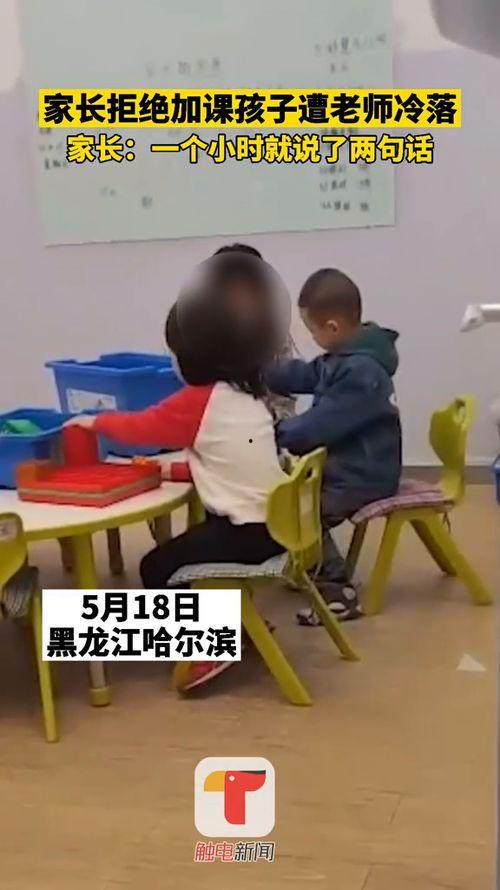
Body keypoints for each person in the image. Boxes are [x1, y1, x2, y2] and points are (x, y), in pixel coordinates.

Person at [68, 253, 286, 689]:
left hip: (247, 535)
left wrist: (92, 422)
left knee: (157, 567)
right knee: (184, 549)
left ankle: (206, 648)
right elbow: (233, 463)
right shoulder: (245, 395)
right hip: (276, 526)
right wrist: (178, 473)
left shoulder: (199, 400)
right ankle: (228, 628)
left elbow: (142, 427)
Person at [266, 268, 402, 622]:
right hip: (352, 466)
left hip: (363, 474)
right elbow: (307, 374)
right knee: (295, 499)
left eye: (312, 330)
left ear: (333, 327)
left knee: (301, 510)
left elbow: (321, 424)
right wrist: (262, 372)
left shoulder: (361, 372)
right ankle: (311, 566)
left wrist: (273, 432)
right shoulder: (345, 356)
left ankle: (336, 589)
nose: (312, 337)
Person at [213, 243, 296, 421]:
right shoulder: (199, 333)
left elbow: (284, 404)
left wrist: (266, 421)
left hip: (264, 426)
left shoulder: (275, 335)